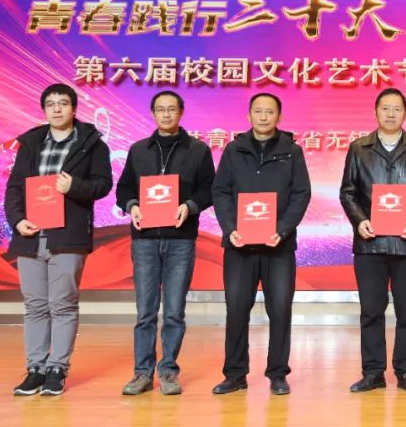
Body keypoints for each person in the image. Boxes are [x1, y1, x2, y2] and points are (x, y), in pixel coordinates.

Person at [4, 83, 112, 396]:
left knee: (63, 304)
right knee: (35, 305)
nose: (56, 108)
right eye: (50, 104)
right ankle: (35, 368)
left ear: (74, 108)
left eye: (63, 103)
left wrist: (74, 186)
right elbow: (14, 188)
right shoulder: (30, 143)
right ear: (44, 109)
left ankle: (57, 368)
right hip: (31, 235)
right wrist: (17, 220)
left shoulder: (92, 145)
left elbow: (103, 185)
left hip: (68, 235)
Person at [115, 90, 215, 396]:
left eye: (172, 109)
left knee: (174, 311)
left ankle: (169, 371)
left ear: (181, 112)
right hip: (145, 240)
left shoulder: (198, 150)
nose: (166, 114)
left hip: (180, 239)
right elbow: (123, 189)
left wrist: (190, 206)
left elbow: (209, 189)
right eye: (161, 109)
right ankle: (142, 373)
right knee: (145, 312)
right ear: (153, 113)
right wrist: (132, 205)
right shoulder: (138, 150)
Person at [211, 93, 312, 396]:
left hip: (278, 247)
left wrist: (282, 229)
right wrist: (230, 228)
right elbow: (220, 191)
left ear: (279, 117)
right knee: (236, 310)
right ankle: (235, 374)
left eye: (270, 112)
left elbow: (301, 194)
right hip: (239, 246)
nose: (264, 116)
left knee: (280, 309)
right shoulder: (234, 150)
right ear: (249, 116)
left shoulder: (292, 151)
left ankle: (278, 374)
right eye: (258, 111)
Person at [340, 88, 406, 394]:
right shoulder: (359, 148)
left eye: (397, 108)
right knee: (371, 310)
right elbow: (348, 192)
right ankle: (373, 372)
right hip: (370, 243)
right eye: (385, 108)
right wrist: (360, 220)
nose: (391, 114)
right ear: (376, 112)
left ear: (405, 113)